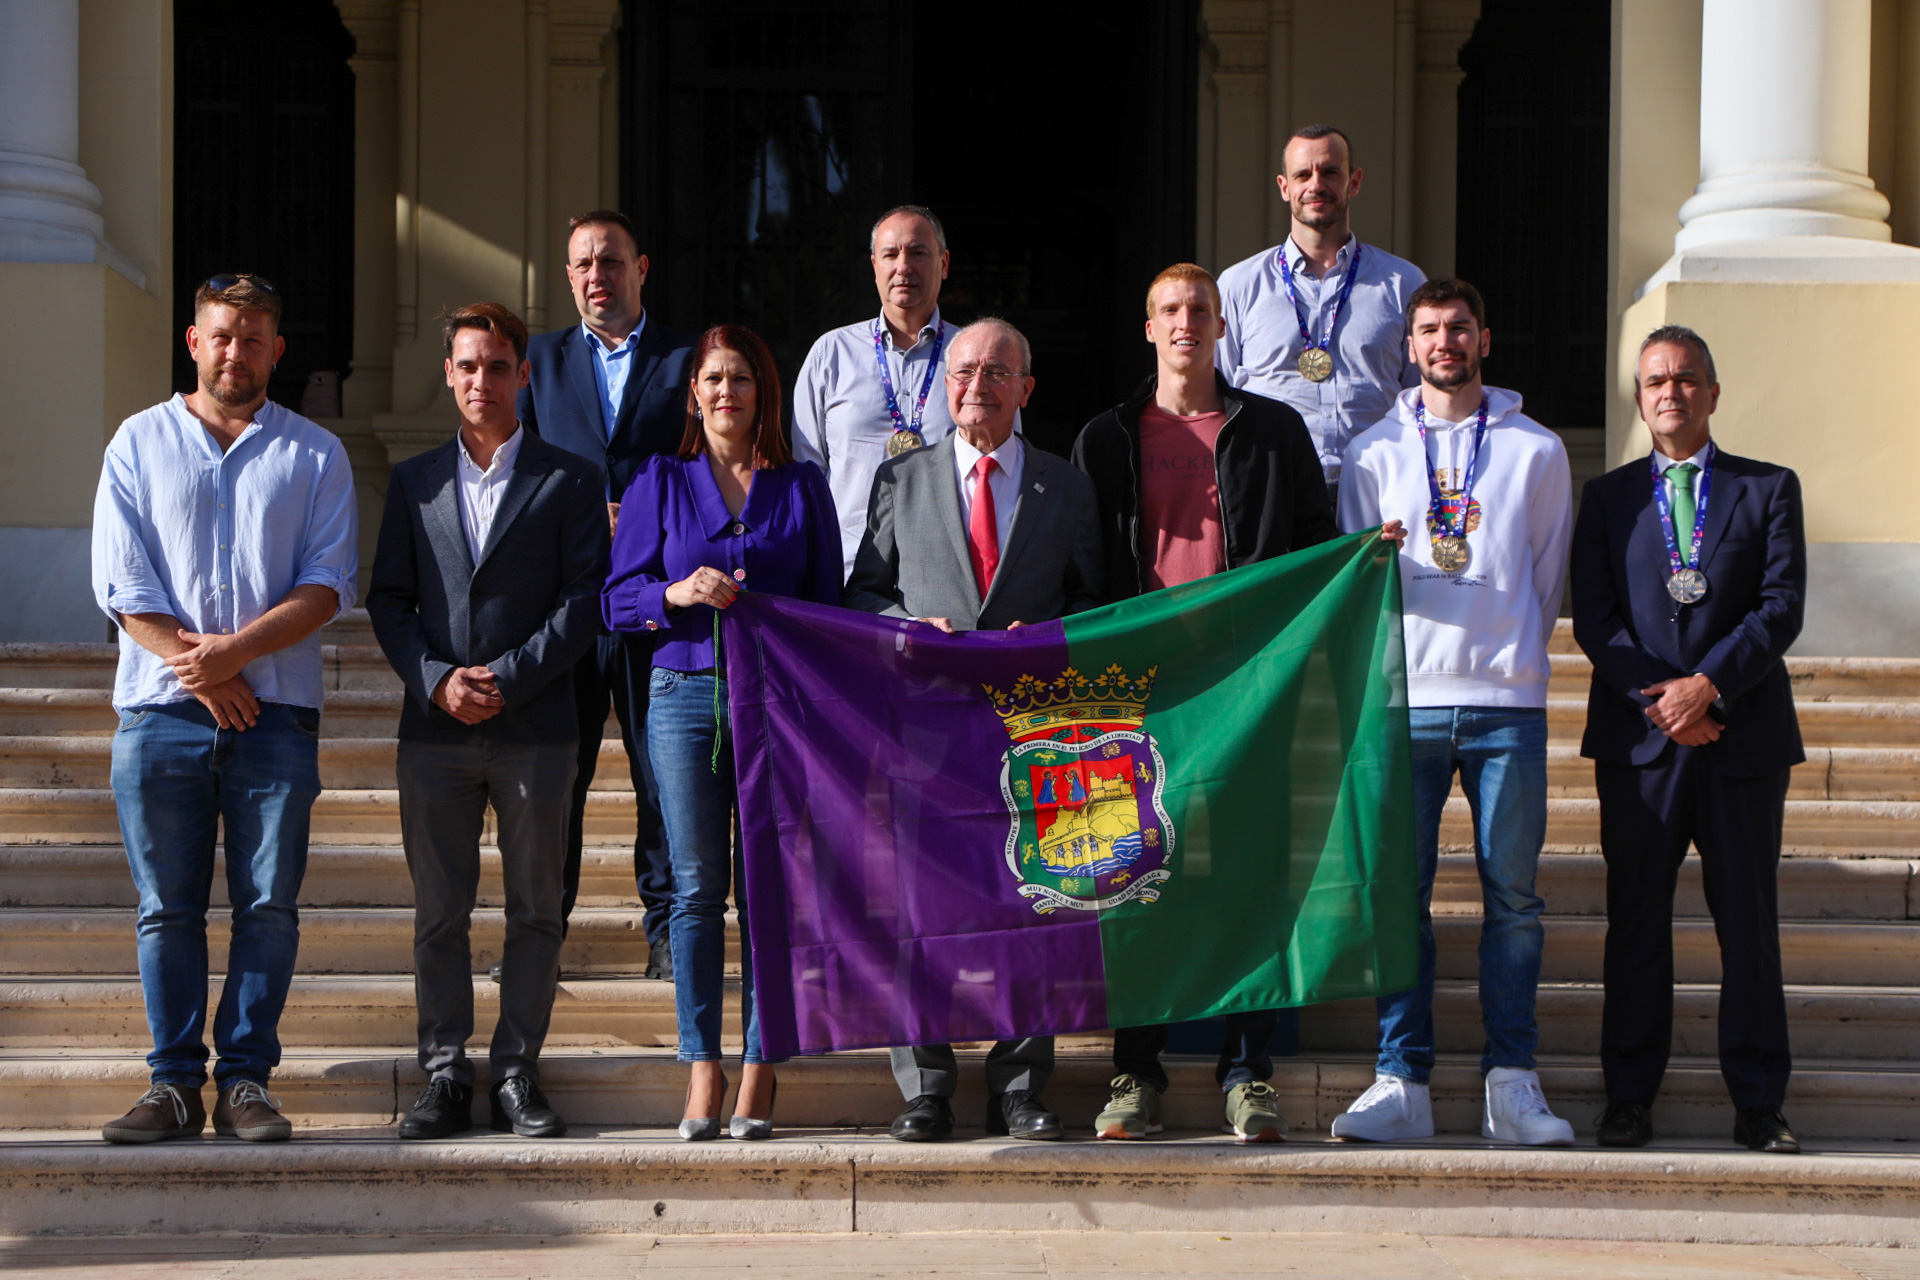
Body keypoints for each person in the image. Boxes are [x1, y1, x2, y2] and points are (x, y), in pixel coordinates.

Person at [1072, 262, 1348, 1142]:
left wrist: (1360, 560)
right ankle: (1135, 1071)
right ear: (1147, 328)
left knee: (1244, 877)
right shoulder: (1105, 438)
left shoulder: (1271, 432)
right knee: (1133, 874)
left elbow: (1313, 550)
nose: (1186, 322)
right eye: (1169, 310)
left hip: (1242, 690)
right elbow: (1081, 575)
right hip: (1138, 693)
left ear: (1223, 327)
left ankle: (1246, 1073)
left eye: (1200, 309)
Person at [91, 273, 359, 1144]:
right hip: (159, 718)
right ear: (193, 340)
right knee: (165, 908)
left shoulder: (315, 453)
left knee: (268, 906)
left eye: (253, 338)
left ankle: (245, 1081)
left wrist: (234, 657)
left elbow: (326, 586)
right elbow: (121, 585)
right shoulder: (137, 442)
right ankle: (172, 1086)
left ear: (276, 350)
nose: (236, 351)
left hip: (274, 718)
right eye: (221, 335)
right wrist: (205, 672)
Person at [846, 318, 1105, 1142]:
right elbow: (862, 595)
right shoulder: (902, 479)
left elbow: (1097, 603)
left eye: (997, 372)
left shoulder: (1065, 486)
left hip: (1036, 732)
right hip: (925, 733)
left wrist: (1054, 636)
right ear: (941, 385)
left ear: (1027, 388)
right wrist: (909, 630)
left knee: (1037, 904)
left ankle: (1021, 1085)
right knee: (917, 910)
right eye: (962, 372)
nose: (977, 386)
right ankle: (925, 1086)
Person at [1333, 278, 1575, 1146]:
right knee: (1401, 898)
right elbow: (1361, 585)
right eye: (1430, 330)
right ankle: (1402, 1081)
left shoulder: (1536, 450)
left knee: (1513, 900)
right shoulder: (1370, 452)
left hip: (1506, 701)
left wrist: (1505, 654)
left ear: (1484, 338)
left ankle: (1512, 1082)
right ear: (1408, 345)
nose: (1445, 342)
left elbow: (1544, 582)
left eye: (1459, 328)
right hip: (1407, 704)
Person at [368, 303, 608, 1141]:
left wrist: (507, 679)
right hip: (434, 735)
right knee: (440, 912)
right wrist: (437, 682)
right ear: (448, 373)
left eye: (497, 366)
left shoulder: (571, 479)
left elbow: (586, 602)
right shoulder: (414, 482)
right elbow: (389, 600)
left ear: (523, 375)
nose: (482, 380)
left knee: (537, 909)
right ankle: (443, 1074)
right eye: (468, 366)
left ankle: (515, 1071)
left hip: (537, 730)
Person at [603, 325, 842, 1141]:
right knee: (699, 887)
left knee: (770, 888)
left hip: (779, 706)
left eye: (741, 378)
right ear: (693, 392)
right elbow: (615, 598)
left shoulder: (803, 486)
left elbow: (829, 607)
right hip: (682, 697)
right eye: (712, 379)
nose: (725, 393)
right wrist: (670, 594)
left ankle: (763, 1063)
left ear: (762, 393)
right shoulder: (659, 481)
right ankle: (702, 1064)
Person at [1572, 326, 1805, 1155]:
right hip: (1641, 747)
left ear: (1712, 391)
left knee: (1748, 922)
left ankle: (1758, 1103)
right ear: (1640, 400)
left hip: (1741, 737)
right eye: (1656, 381)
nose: (1670, 391)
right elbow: (1596, 620)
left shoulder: (1768, 488)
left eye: (1685, 378)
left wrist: (1710, 687)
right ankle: (1629, 1096)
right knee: (1636, 923)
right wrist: (1664, 701)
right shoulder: (1606, 500)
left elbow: (1780, 606)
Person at [518, 210, 696, 982]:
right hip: (569, 603)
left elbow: (704, 464)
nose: (599, 276)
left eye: (612, 261)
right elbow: (520, 470)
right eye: (585, 264)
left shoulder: (688, 360)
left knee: (663, 778)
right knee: (560, 775)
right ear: (568, 276)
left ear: (641, 267)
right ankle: (541, 932)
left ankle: (667, 930)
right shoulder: (541, 361)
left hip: (660, 603)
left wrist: (649, 519)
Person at [1216, 124, 1426, 508]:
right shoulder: (1239, 285)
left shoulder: (1403, 283)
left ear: (1354, 181)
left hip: (1376, 493)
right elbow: (1218, 395)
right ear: (1284, 187)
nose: (1316, 185)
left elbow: (1421, 397)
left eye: (1330, 172)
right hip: (1272, 495)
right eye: (1302, 174)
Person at [792, 204, 965, 579]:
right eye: (890, 254)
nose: (903, 267)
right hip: (844, 570)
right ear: (874, 266)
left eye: (918, 253)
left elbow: (1001, 465)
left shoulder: (973, 356)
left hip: (945, 574)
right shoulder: (831, 353)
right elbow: (805, 477)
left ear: (944, 263)